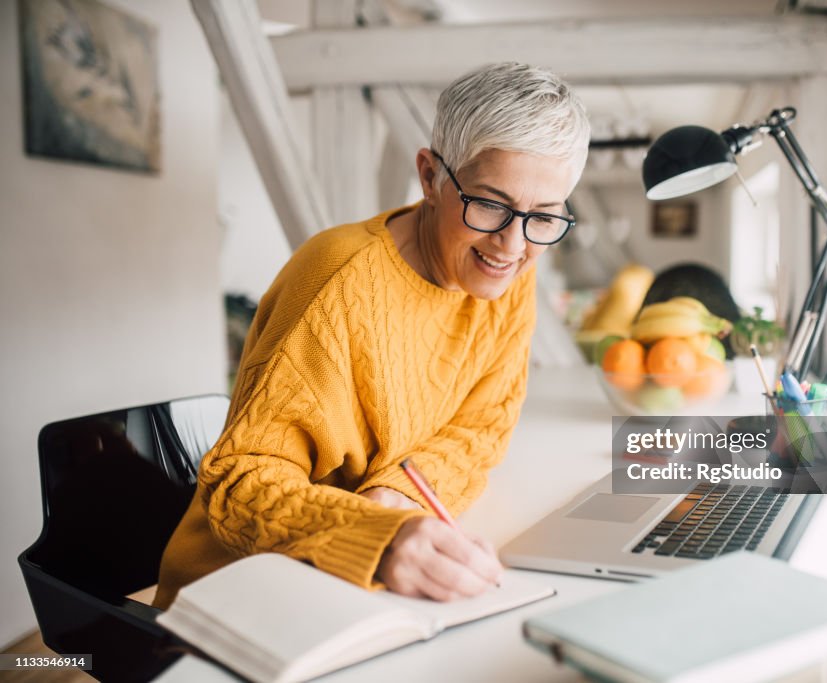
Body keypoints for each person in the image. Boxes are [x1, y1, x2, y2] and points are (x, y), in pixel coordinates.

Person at [153, 62, 590, 609]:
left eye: (544, 217)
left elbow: (481, 425)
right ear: (430, 177)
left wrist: (398, 497)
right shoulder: (337, 283)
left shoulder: (509, 272)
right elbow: (240, 485)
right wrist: (373, 534)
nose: (512, 244)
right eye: (489, 204)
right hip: (236, 595)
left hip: (360, 588)